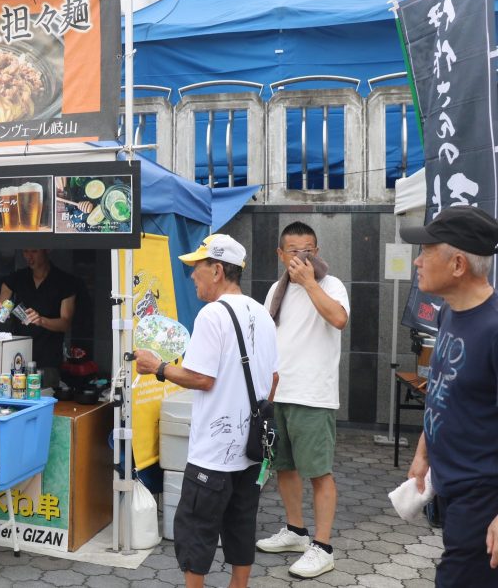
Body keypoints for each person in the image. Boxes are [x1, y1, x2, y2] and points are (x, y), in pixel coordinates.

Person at [135, 234, 278, 588]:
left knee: (196, 530)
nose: (191, 276)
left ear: (217, 271)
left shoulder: (212, 314)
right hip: (252, 449)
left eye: (196, 268)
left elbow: (201, 378)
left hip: (213, 453)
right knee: (241, 525)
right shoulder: (262, 313)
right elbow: (274, 378)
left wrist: (157, 367)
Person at [400, 205, 498, 586]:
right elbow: (442, 393)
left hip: (483, 499)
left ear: (458, 265)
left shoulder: (493, 329)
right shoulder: (448, 313)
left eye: (426, 251)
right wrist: (423, 454)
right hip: (450, 489)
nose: (417, 262)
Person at [255, 222, 349, 578]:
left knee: (319, 473)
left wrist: (310, 283)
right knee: (284, 467)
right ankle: (296, 531)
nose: (300, 257)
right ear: (280, 254)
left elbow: (339, 319)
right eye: (293, 251)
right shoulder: (275, 290)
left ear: (317, 252)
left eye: (307, 250)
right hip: (280, 393)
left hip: (313, 395)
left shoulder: (331, 285)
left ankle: (323, 548)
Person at [0, 249, 77, 385]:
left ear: (47, 250)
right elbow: (0, 313)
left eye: (34, 251)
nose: (29, 256)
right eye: (25, 251)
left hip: (48, 360)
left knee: (45, 394)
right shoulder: (16, 278)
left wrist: (41, 320)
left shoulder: (65, 281)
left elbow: (65, 323)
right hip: (17, 357)